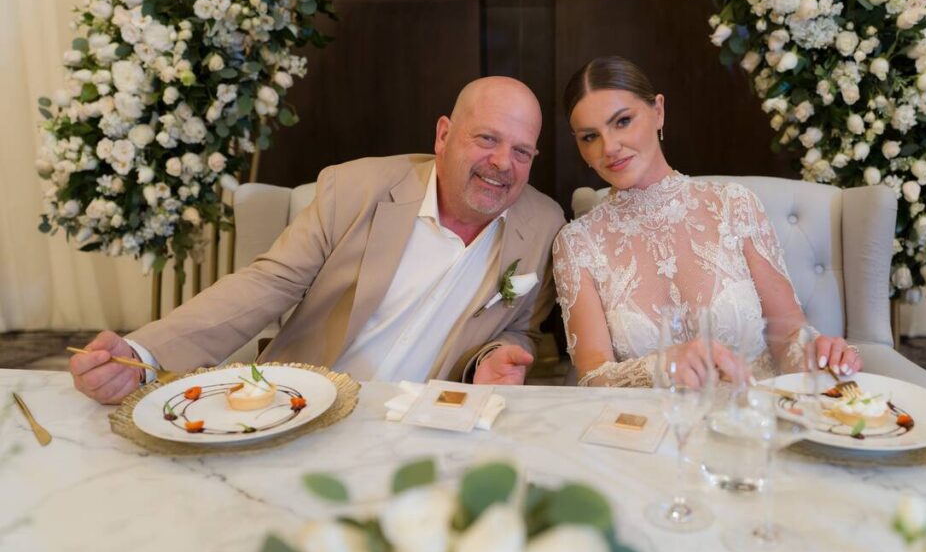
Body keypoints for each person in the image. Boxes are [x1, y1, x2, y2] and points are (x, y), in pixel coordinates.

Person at [71, 76, 566, 404]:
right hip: (308, 405)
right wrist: (145, 354)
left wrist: (494, 357)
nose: (504, 163)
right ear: (443, 135)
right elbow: (267, 284)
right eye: (487, 139)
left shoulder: (542, 223)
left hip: (431, 426)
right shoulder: (355, 189)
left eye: (522, 151)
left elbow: (519, 328)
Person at [553, 56, 863, 387]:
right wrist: (663, 368)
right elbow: (593, 377)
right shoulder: (577, 243)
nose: (610, 147)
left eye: (623, 121)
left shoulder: (734, 205)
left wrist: (819, 352)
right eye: (590, 137)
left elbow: (787, 335)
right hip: (653, 429)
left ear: (658, 111)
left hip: (754, 418)